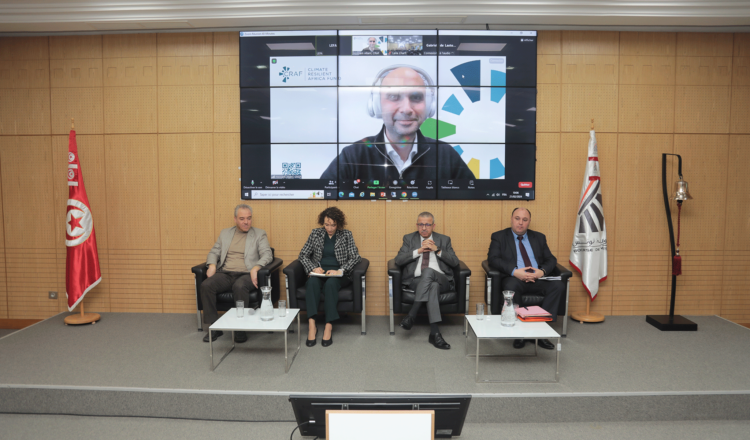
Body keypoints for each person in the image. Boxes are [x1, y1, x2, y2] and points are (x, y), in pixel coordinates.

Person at [320, 66, 473, 181]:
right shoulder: (352, 156)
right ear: (376, 105)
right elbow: (322, 203)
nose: (406, 109)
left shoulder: (446, 156)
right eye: (393, 96)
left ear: (429, 106)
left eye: (416, 97)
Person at [487, 207, 564, 350]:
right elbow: (493, 259)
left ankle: (540, 332)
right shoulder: (499, 236)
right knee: (511, 288)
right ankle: (520, 334)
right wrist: (515, 272)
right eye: (517, 219)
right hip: (515, 278)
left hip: (537, 278)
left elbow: (551, 259)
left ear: (529, 222)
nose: (520, 223)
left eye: (524, 220)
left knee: (558, 286)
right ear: (511, 219)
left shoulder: (539, 237)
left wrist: (541, 272)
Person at [200, 204, 272, 343]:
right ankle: (214, 327)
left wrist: (256, 268)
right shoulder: (225, 233)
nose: (246, 222)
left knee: (239, 286)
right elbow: (214, 252)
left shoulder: (259, 234)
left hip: (246, 274)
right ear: (235, 219)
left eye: (249, 218)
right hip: (226, 273)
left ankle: (240, 328)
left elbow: (267, 254)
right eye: (242, 218)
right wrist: (212, 265)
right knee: (206, 285)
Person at [299, 206, 362, 347]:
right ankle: (312, 325)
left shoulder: (346, 235)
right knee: (312, 283)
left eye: (333, 225)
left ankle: (328, 325)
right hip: (319, 273)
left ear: (338, 223)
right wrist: (312, 268)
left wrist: (340, 270)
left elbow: (355, 257)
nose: (330, 228)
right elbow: (303, 255)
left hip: (339, 275)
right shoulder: (315, 233)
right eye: (327, 224)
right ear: (323, 222)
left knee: (331, 284)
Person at [395, 212, 459, 350]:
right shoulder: (409, 239)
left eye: (427, 224)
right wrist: (419, 250)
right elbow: (398, 260)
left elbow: (454, 262)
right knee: (432, 286)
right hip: (416, 281)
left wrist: (437, 250)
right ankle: (435, 333)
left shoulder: (444, 239)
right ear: (417, 225)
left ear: (433, 225)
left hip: (442, 279)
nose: (424, 228)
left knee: (429, 271)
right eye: (420, 224)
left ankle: (412, 315)